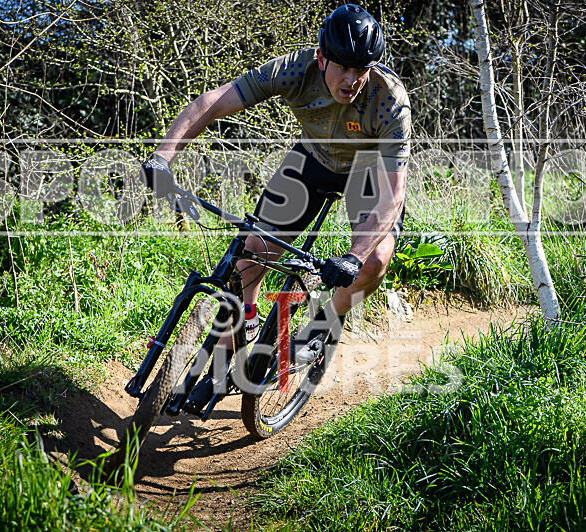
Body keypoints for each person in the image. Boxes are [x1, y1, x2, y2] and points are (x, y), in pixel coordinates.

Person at [141, 4, 410, 413]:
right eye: (343, 67)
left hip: (368, 172)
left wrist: (354, 257)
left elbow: (393, 195)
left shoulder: (390, 102)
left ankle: (321, 328)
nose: (353, 79)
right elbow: (214, 102)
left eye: (363, 69)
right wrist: (163, 156)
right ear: (322, 58)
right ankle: (228, 352)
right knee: (251, 252)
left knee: (375, 259)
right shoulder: (294, 69)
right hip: (314, 159)